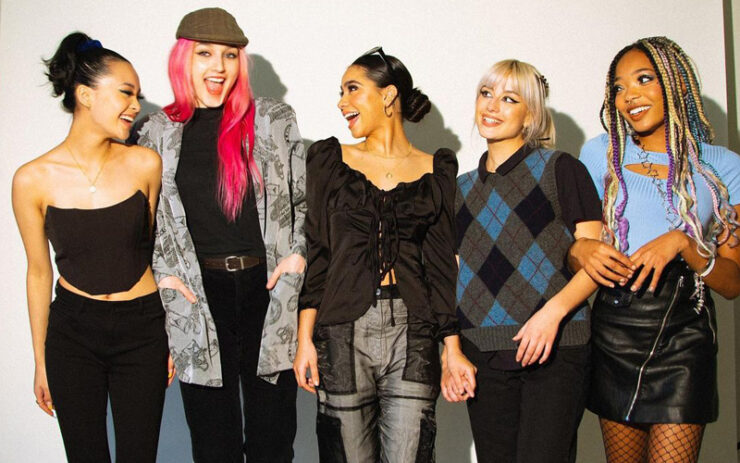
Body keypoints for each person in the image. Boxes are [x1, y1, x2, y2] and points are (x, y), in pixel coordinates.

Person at [128, 7, 306, 463]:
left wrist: (298, 255)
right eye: (205, 53)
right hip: (197, 298)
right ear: (183, 59)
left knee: (273, 441)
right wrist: (162, 276)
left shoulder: (273, 120)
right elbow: (141, 220)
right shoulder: (155, 132)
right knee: (213, 445)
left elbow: (305, 200)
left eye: (229, 55)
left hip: (268, 291)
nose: (219, 66)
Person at [293, 46, 476, 463]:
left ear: (388, 95)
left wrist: (452, 347)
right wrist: (304, 339)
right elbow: (319, 253)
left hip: (414, 332)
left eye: (352, 89)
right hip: (341, 331)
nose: (342, 102)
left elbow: (441, 267)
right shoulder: (329, 160)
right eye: (341, 92)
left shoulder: (436, 170)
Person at [570, 36, 740, 463]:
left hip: (685, 335)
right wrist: (580, 251)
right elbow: (575, 248)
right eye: (619, 87)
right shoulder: (600, 153)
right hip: (615, 326)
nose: (629, 95)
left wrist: (684, 243)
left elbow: (733, 283)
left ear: (675, 82)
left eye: (644, 79)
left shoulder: (723, 166)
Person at [12, 32, 169, 463]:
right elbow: (38, 272)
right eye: (125, 93)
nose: (135, 106)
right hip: (73, 335)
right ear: (84, 95)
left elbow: (152, 250)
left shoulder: (146, 164)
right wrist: (41, 361)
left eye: (137, 96)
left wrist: (170, 334)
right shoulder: (31, 179)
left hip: (142, 331)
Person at [453, 59, 602, 463]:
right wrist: (450, 351)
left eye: (509, 99)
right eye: (486, 94)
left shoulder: (562, 170)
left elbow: (596, 262)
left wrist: (551, 315)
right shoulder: (460, 189)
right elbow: (452, 274)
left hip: (556, 349)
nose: (492, 106)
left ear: (530, 115)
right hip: (483, 351)